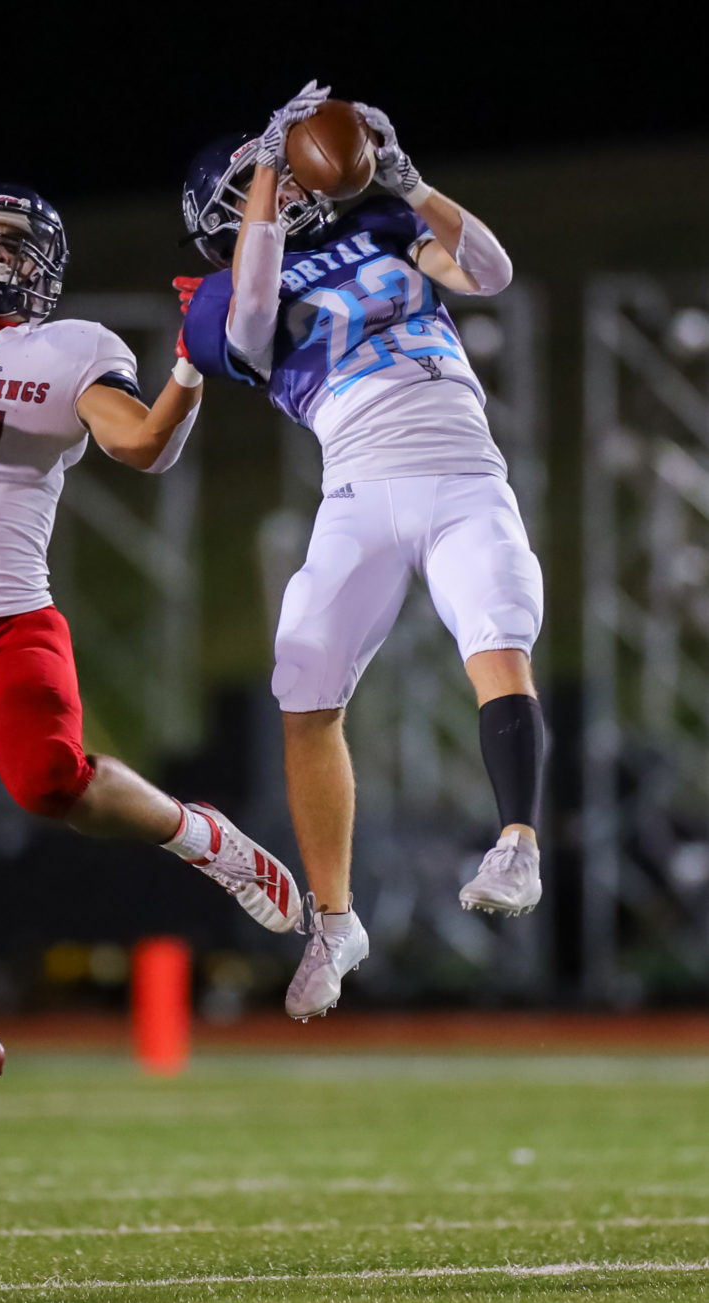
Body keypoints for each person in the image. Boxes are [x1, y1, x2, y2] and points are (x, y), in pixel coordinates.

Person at [0, 183, 300, 1145]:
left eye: (16, 244)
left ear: (48, 270)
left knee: (49, 782)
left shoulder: (73, 348)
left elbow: (138, 446)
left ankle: (200, 837)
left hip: (11, 623)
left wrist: (191, 370)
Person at [180, 84, 545, 1023]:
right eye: (255, 182)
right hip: (358, 488)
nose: (284, 189)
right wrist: (265, 162)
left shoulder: (382, 219)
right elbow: (257, 310)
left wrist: (415, 183)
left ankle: (516, 840)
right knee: (303, 687)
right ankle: (336, 920)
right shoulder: (220, 294)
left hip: (464, 470)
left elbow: (491, 273)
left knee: (498, 642)